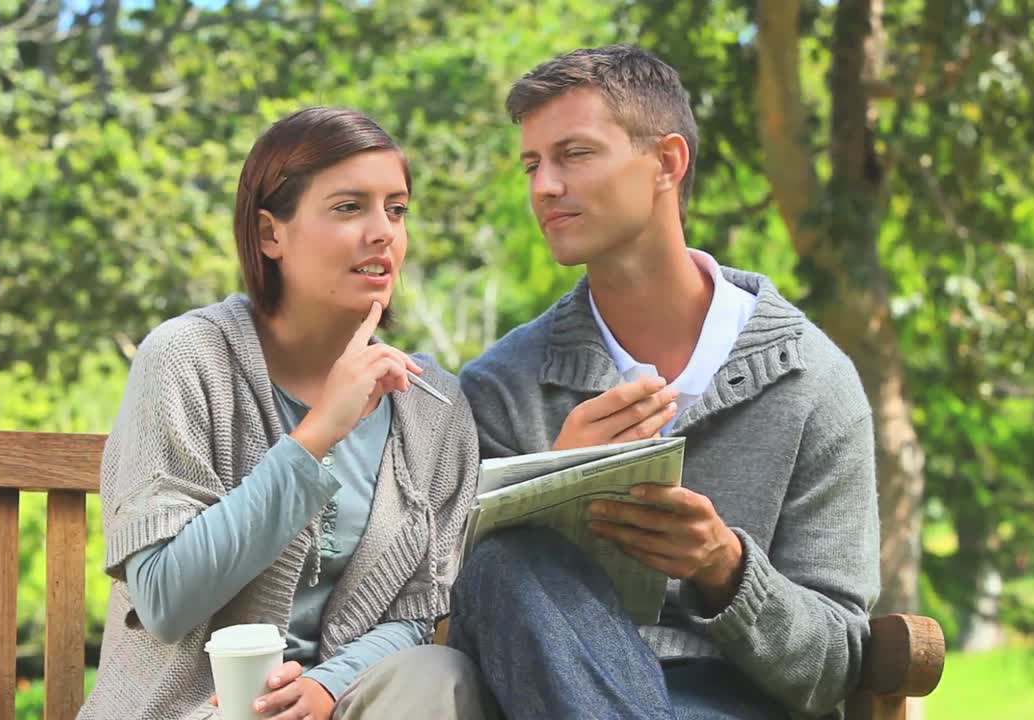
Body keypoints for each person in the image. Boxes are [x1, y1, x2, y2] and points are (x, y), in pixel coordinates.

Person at [450, 45, 881, 719]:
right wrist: (548, 485)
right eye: (533, 164)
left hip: (739, 703)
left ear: (667, 163)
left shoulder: (814, 382)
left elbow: (834, 668)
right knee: (507, 560)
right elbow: (455, 610)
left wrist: (726, 569)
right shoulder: (503, 388)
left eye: (575, 154)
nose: (543, 186)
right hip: (547, 696)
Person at [79, 107, 493, 720]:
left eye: (397, 209)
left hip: (346, 705)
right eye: (349, 207)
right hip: (193, 709)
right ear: (271, 234)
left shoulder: (432, 406)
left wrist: (330, 685)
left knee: (439, 673)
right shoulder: (187, 360)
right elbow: (165, 599)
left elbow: (418, 614)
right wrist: (317, 434)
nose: (383, 232)